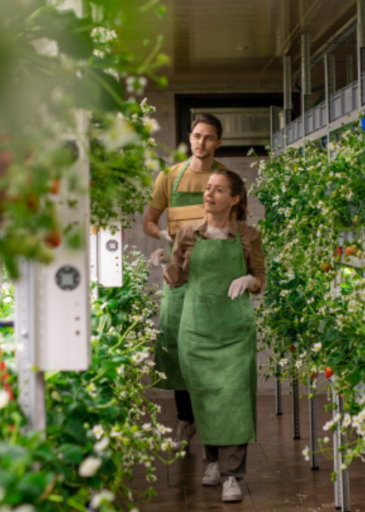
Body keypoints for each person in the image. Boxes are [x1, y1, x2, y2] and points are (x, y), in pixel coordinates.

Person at [149, 169, 265, 503]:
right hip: (196, 330)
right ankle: (212, 462)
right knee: (206, 398)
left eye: (218, 190)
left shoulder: (249, 236)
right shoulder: (187, 233)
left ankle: (232, 475)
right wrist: (162, 265)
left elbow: (260, 278)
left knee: (234, 400)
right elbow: (178, 280)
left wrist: (249, 281)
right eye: (208, 188)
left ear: (235, 198)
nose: (209, 194)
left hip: (234, 331)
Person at [143, 113, 230, 451]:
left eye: (208, 137)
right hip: (178, 273)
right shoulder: (169, 177)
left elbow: (237, 225)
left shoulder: (227, 179)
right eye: (196, 135)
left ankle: (212, 424)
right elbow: (149, 222)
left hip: (213, 273)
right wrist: (164, 233)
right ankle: (185, 421)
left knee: (210, 346)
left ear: (218, 142)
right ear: (190, 137)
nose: (201, 142)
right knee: (177, 344)